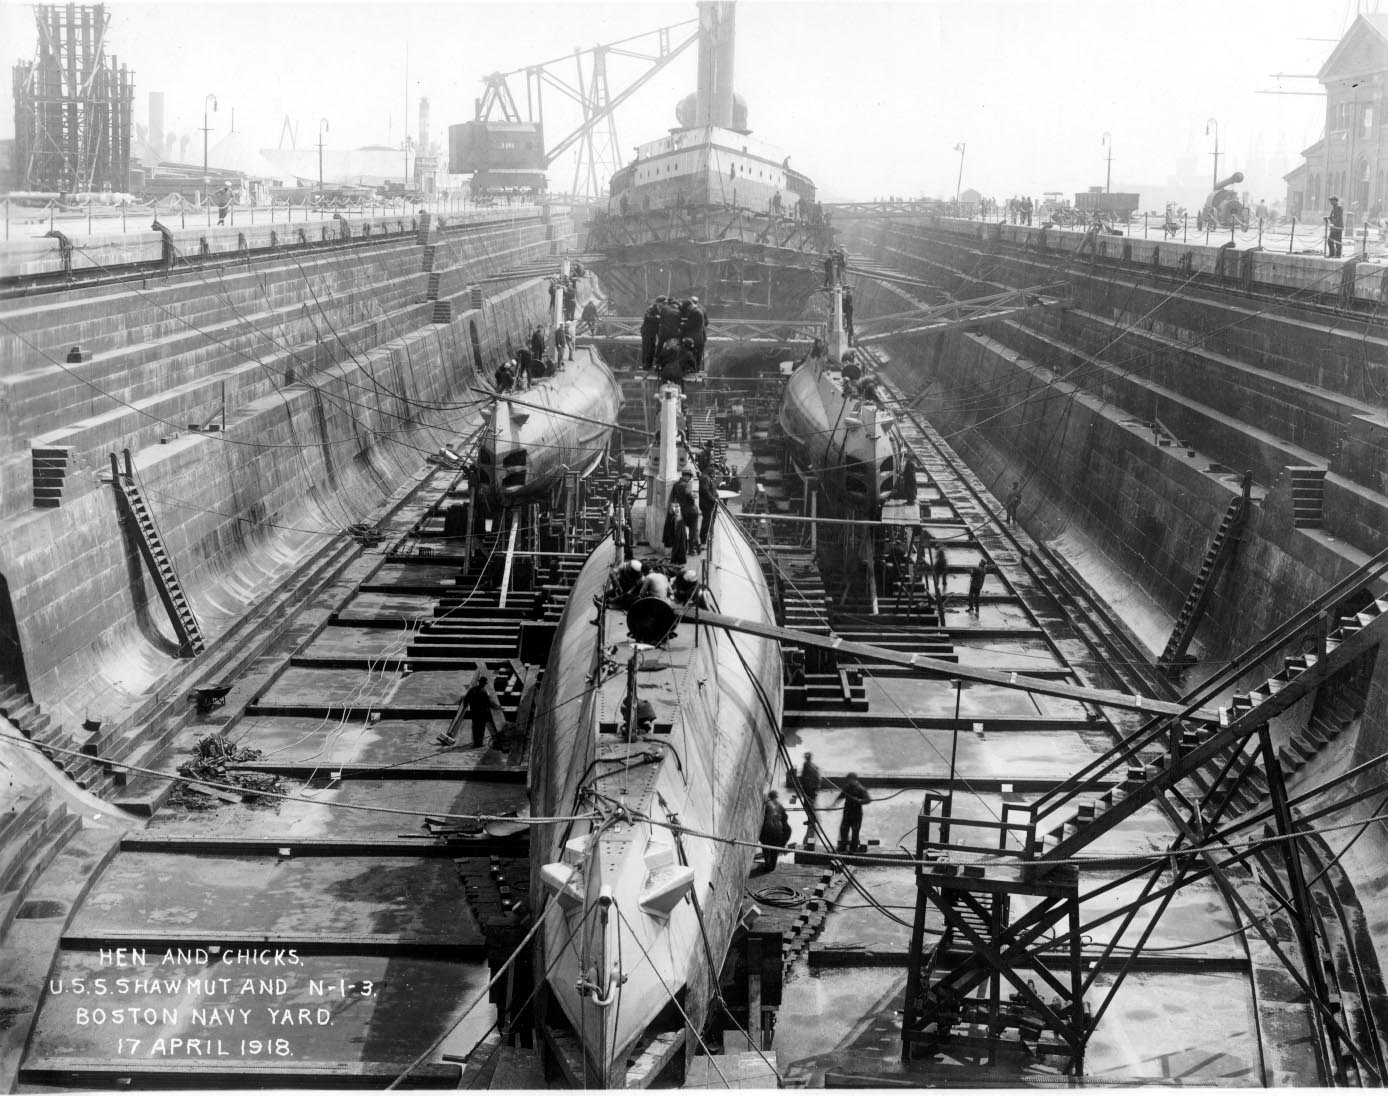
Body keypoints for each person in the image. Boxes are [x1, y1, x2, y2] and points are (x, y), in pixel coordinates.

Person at [835, 773, 871, 853]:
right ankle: (843, 847)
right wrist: (833, 804)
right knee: (843, 830)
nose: (848, 782)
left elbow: (868, 799)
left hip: (856, 814)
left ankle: (853, 848)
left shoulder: (861, 789)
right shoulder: (847, 788)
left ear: (854, 780)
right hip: (847, 813)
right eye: (848, 781)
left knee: (855, 832)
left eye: (849, 780)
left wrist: (859, 800)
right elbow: (840, 797)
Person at [760, 789, 791, 872]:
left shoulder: (766, 804)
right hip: (778, 829)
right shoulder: (780, 805)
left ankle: (767, 864)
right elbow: (785, 819)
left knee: (765, 847)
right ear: (776, 797)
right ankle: (772, 866)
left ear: (769, 797)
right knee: (775, 848)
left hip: (767, 829)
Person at [797, 752, 822, 836]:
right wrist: (816, 788)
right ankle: (811, 820)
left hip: (809, 789)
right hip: (812, 789)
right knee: (810, 805)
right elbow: (818, 778)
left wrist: (802, 786)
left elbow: (804, 777)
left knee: (808, 805)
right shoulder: (814, 766)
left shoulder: (806, 765)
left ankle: (812, 821)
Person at [698, 464, 719, 550]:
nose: (714, 475)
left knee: (710, 521)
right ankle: (703, 541)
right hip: (707, 505)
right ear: (711, 472)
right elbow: (705, 491)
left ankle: (708, 537)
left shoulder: (708, 478)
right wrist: (713, 499)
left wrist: (715, 497)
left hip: (710, 504)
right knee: (707, 522)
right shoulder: (705, 478)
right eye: (714, 473)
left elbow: (711, 490)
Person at [640, 299, 661, 370]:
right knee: (646, 349)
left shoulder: (659, 309)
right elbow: (647, 317)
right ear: (658, 302)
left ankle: (650, 364)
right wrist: (656, 317)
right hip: (647, 332)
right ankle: (645, 365)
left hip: (653, 332)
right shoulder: (650, 308)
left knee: (652, 348)